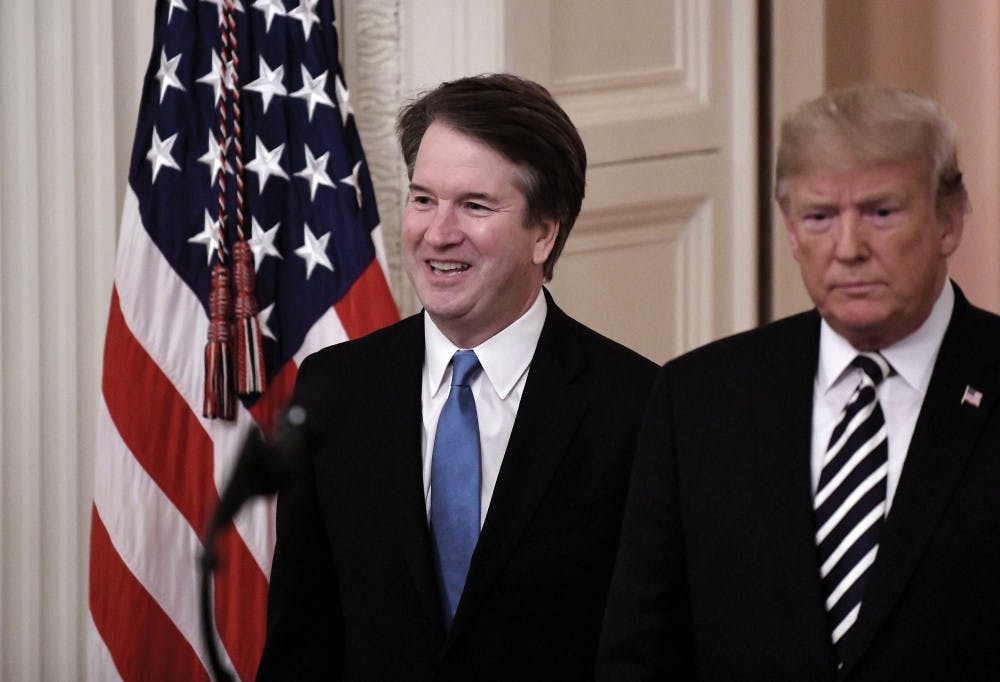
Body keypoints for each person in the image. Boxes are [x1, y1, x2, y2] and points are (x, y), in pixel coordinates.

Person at [257, 73, 657, 681]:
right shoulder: (335, 391)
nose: (437, 233)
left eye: (474, 205)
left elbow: (649, 650)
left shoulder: (637, 407)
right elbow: (301, 644)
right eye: (423, 199)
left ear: (544, 232)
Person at [597, 85, 1000, 680]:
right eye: (819, 217)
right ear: (790, 231)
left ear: (949, 221)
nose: (849, 249)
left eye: (881, 212)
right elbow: (640, 653)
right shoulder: (699, 402)